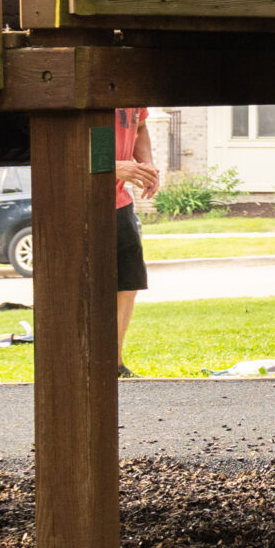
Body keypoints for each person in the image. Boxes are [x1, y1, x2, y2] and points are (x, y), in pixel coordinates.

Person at [113, 107, 158, 378]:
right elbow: (63, 140)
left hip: (120, 203)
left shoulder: (133, 90)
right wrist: (111, 165)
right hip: (79, 201)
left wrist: (147, 164)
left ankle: (114, 364)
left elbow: (139, 127)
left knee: (128, 285)